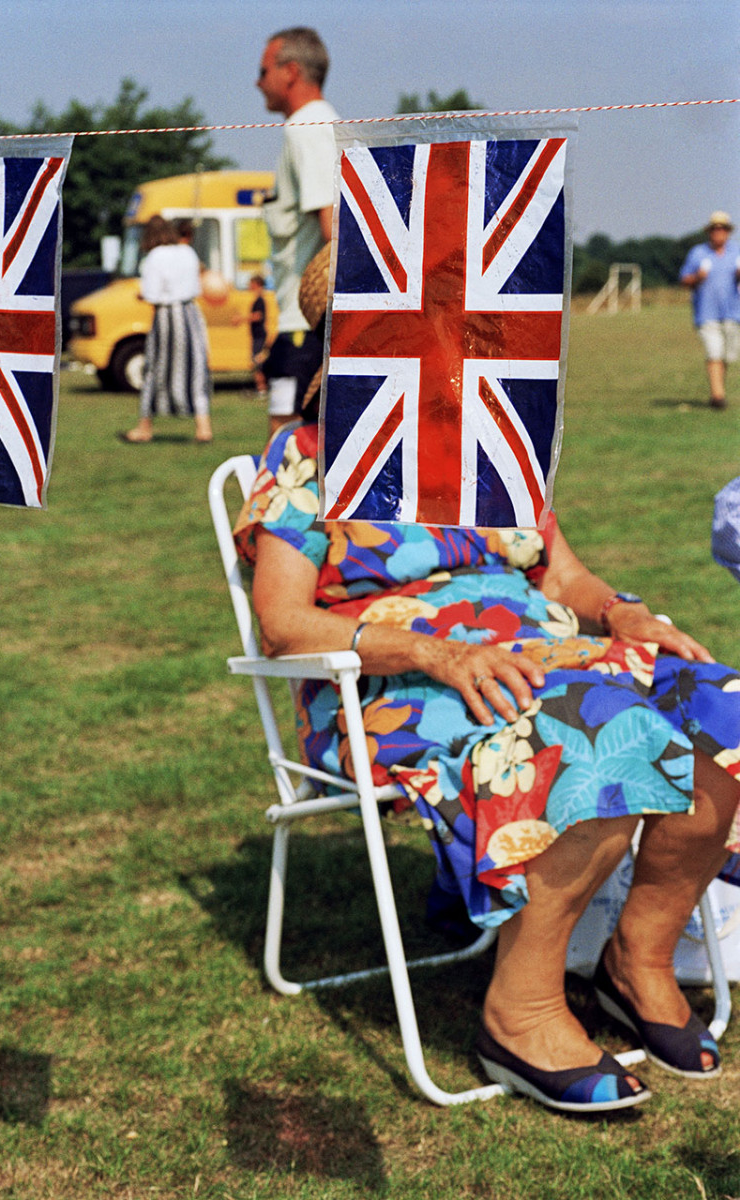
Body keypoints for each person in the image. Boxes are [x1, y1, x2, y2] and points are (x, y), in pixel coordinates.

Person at [233, 246, 740, 1115]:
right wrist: (434, 650)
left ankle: (638, 959)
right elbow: (283, 623)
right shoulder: (308, 457)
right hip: (393, 686)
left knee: (722, 712)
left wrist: (620, 612)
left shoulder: (489, 447)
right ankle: (521, 1011)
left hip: (544, 658)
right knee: (594, 733)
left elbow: (561, 579)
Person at [256, 26, 338, 435]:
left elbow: (333, 226)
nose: (257, 82)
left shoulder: (309, 127)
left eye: (263, 70)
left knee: (286, 449)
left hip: (307, 328)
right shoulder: (317, 126)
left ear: (290, 71)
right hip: (298, 327)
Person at [121, 215, 213, 444]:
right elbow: (196, 285)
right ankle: (203, 427)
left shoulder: (154, 256)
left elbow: (151, 292)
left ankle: (145, 427)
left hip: (166, 315)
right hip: (190, 313)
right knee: (195, 367)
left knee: (155, 368)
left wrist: (143, 295)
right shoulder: (187, 252)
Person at [679, 211, 740, 409]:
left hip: (733, 313)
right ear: (709, 231)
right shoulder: (698, 253)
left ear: (728, 231)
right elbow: (684, 279)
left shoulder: (737, 252)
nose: (718, 232)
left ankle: (718, 389)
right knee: (714, 353)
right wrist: (698, 277)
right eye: (715, 228)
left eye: (722, 228)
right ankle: (717, 396)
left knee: (725, 355)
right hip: (707, 313)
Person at [232, 273, 269, 396]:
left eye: (251, 283)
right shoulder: (258, 299)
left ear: (257, 284)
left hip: (259, 336)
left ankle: (262, 388)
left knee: (257, 362)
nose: (249, 286)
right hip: (257, 336)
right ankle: (261, 388)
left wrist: (241, 319)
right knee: (257, 362)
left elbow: (258, 316)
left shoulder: (260, 300)